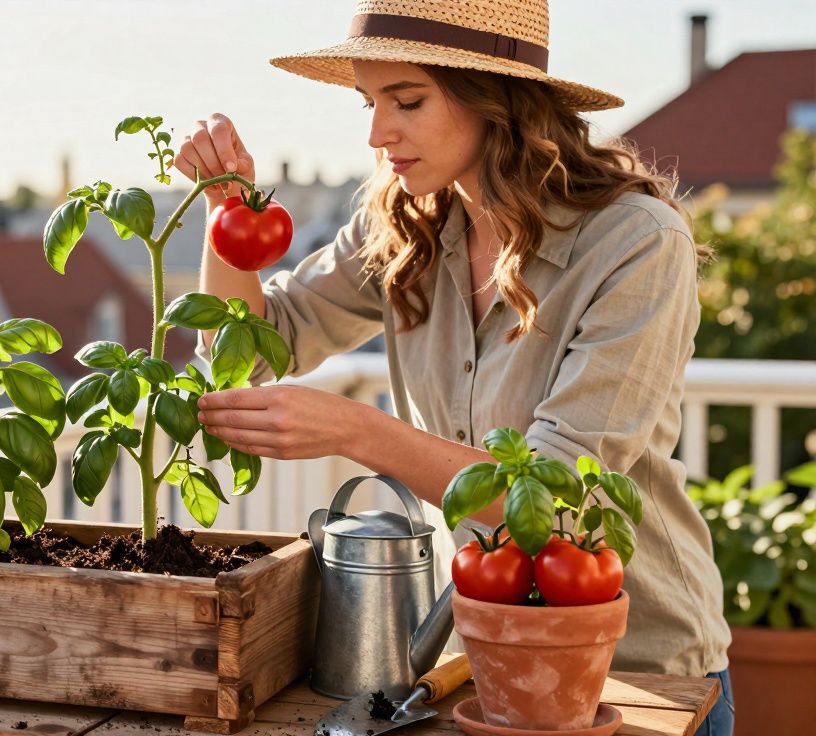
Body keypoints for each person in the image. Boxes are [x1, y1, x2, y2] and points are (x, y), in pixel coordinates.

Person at [173, 1, 734, 733]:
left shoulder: (634, 244)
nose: (378, 134)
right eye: (370, 103)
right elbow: (249, 349)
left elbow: (559, 504)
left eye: (407, 101)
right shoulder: (406, 226)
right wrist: (228, 217)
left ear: (495, 99)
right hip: (483, 665)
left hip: (639, 674)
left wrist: (360, 432)